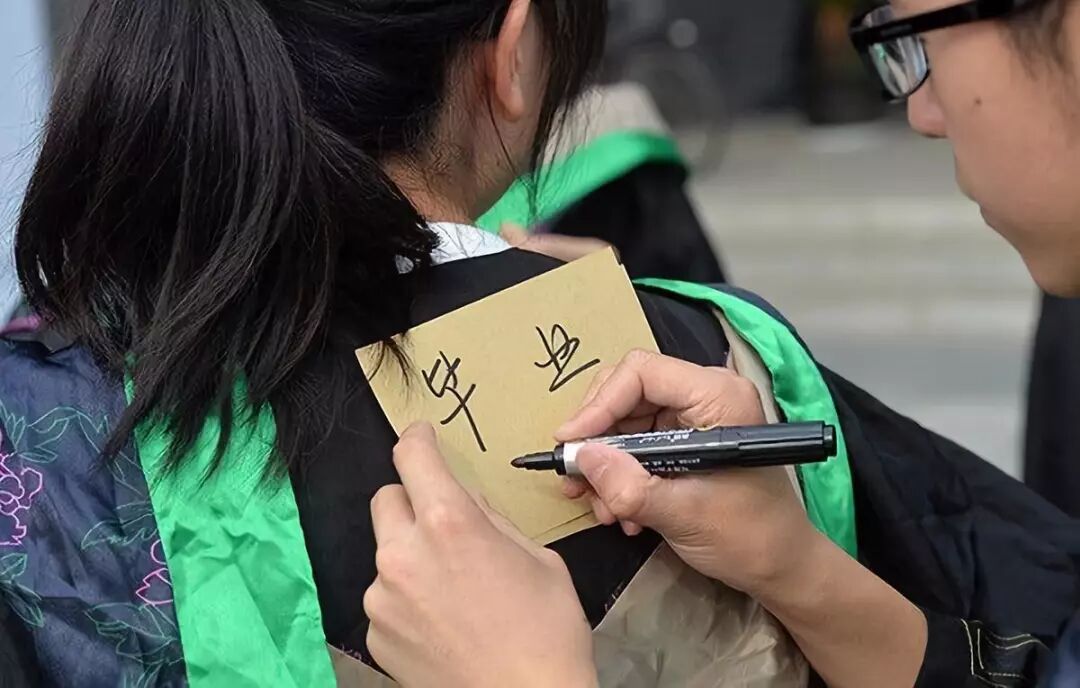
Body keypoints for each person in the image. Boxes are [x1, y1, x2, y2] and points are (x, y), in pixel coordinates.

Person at [1, 0, 1077, 686]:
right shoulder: (721, 357)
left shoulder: (41, 438)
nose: (924, 110)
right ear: (513, 53)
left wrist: (798, 570)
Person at [365, 0, 1080, 686]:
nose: (922, 115)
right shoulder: (717, 341)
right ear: (514, 53)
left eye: (919, 41)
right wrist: (792, 565)